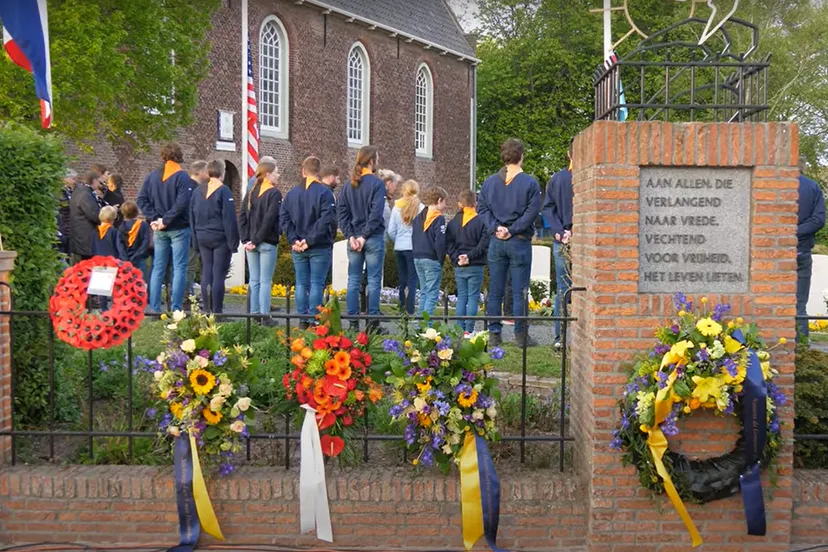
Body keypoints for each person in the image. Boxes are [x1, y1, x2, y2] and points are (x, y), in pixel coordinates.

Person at [478, 138, 542, 347]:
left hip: (496, 241)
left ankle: (494, 333)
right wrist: (512, 229)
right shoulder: (530, 183)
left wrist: (497, 228)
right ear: (521, 156)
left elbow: (482, 209)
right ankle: (521, 335)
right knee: (520, 290)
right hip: (519, 241)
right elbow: (532, 212)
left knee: (495, 289)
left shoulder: (489, 183)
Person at [137, 142, 194, 313]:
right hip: (178, 228)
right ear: (179, 155)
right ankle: (176, 308)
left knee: (158, 268)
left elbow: (141, 199)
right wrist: (165, 220)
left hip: (159, 229)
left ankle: (154, 308)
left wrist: (155, 218)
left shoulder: (152, 176)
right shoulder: (182, 177)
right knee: (179, 268)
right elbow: (182, 203)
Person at [281, 156, 336, 328]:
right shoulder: (325, 193)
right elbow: (326, 219)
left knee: (301, 283)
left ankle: (302, 318)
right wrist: (309, 240)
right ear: (318, 172)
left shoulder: (291, 194)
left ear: (303, 171)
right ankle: (314, 319)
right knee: (316, 283)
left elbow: (284, 218)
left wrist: (294, 240)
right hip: (319, 245)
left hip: (298, 246)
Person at [337, 145, 386, 331]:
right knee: (373, 280)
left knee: (353, 280)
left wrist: (350, 236)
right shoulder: (377, 184)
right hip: (372, 237)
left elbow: (342, 213)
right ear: (372, 161)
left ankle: (353, 323)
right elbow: (376, 213)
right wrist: (364, 236)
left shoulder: (348, 186)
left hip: (354, 238)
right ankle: (373, 323)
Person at [190, 160, 239, 314]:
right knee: (218, 274)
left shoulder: (197, 191)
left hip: (202, 235)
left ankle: (206, 308)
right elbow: (229, 219)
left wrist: (195, 239)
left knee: (207, 272)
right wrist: (233, 243)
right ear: (222, 173)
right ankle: (217, 311)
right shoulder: (224, 191)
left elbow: (192, 215)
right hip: (220, 237)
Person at [239, 159, 282, 322]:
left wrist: (246, 239)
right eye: (276, 172)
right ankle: (265, 315)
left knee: (254, 280)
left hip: (251, 242)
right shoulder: (274, 193)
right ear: (268, 174)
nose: (278, 175)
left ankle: (254, 314)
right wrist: (256, 240)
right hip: (266, 242)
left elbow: (242, 216)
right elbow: (269, 220)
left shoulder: (252, 191)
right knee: (265, 281)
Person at [543, 138, 574, 351]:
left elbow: (548, 208)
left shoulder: (557, 179)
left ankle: (559, 338)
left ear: (568, 154)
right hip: (580, 238)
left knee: (563, 288)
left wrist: (559, 231)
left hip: (561, 239)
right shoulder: (588, 176)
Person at [447, 189, 489, 336]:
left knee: (462, 296)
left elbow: (449, 244)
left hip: (459, 265)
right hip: (475, 265)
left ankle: (459, 329)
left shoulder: (453, 223)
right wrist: (469, 256)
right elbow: (483, 245)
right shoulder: (481, 222)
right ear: (475, 203)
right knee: (473, 297)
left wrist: (457, 257)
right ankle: (468, 329)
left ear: (460, 204)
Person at [797, 166, 826, 342]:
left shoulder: (769, 182)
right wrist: (796, 231)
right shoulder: (812, 186)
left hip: (770, 254)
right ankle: (801, 348)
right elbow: (818, 220)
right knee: (799, 304)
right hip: (801, 250)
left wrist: (784, 232)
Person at [387, 179, 423, 315]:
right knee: (412, 280)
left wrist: (397, 240)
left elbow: (391, 230)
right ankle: (410, 309)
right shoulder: (420, 208)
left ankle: (402, 308)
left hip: (399, 247)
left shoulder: (397, 207)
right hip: (414, 247)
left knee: (402, 279)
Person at [412, 186, 448, 318]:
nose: (445, 206)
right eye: (445, 202)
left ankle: (419, 323)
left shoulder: (419, 217)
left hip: (417, 257)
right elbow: (440, 242)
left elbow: (414, 236)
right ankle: (427, 324)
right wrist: (441, 259)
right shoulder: (438, 218)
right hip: (431, 258)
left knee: (424, 292)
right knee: (432, 293)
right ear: (439, 200)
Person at [69, 171, 102, 264]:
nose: (99, 185)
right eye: (98, 181)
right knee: (84, 265)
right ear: (93, 181)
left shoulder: (79, 191)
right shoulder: (85, 194)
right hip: (84, 237)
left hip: (80, 236)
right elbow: (94, 215)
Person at [119, 201, 151, 285]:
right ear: (136, 212)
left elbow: (119, 244)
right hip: (139, 258)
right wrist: (137, 255)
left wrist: (125, 258)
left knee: (126, 284)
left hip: (125, 259)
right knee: (141, 283)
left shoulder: (121, 227)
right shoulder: (143, 225)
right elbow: (145, 242)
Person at [58, 169, 77, 257]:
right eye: (72, 178)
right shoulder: (60, 192)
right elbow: (65, 206)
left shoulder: (69, 191)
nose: (74, 181)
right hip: (65, 225)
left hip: (70, 226)